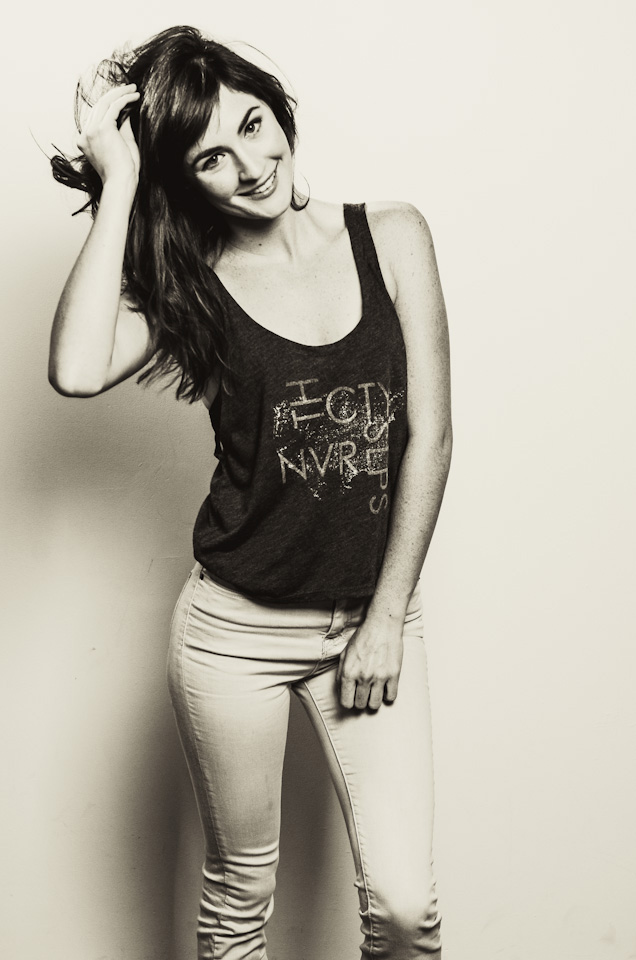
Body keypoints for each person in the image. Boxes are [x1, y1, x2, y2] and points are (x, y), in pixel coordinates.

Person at [48, 24, 452, 960]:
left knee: (403, 907)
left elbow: (429, 436)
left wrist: (386, 617)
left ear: (280, 110)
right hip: (234, 632)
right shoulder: (193, 283)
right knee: (241, 897)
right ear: (186, 180)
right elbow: (74, 370)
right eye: (210, 158)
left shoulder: (392, 235)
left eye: (254, 125)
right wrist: (120, 179)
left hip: (373, 615)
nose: (250, 165)